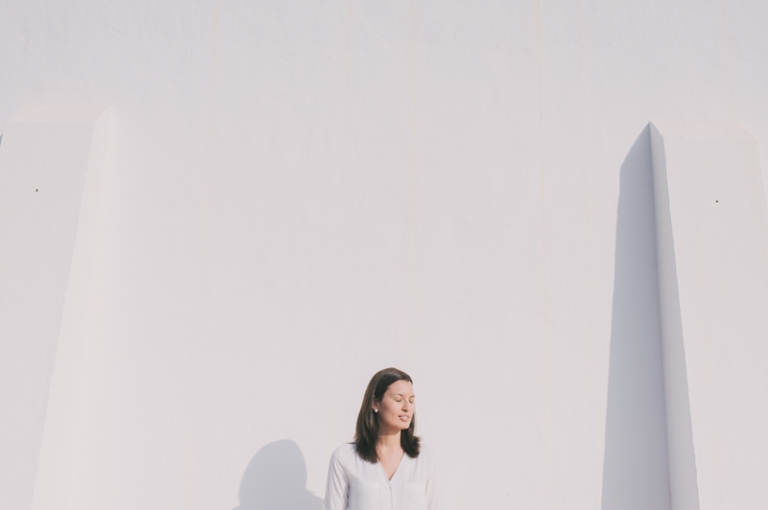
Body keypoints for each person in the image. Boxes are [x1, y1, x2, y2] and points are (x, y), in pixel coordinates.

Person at [323, 367, 437, 510]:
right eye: (398, 399)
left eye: (411, 400)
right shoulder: (345, 457)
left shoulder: (426, 458)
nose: (407, 407)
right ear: (375, 403)